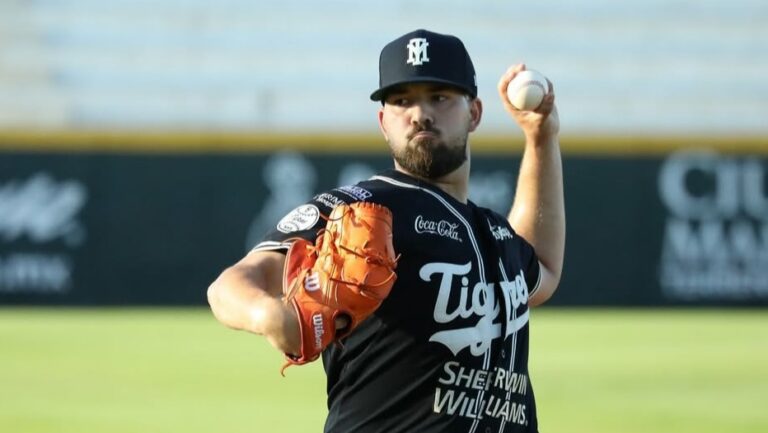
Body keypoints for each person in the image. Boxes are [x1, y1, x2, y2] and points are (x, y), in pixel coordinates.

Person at [207, 28, 564, 432]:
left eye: (439, 97)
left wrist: (540, 137)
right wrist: (269, 314)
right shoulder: (360, 210)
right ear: (383, 121)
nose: (419, 113)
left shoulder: (492, 231)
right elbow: (228, 286)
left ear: (474, 113)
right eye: (402, 101)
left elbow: (543, 270)